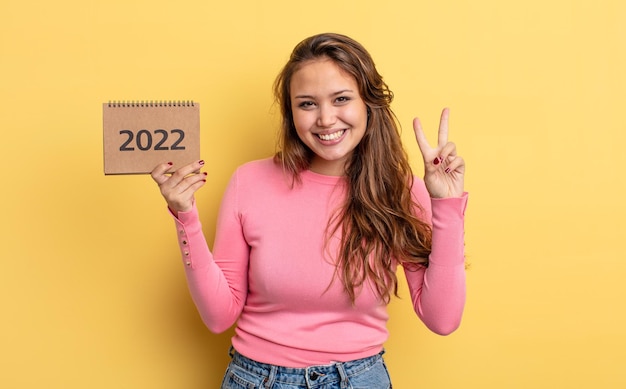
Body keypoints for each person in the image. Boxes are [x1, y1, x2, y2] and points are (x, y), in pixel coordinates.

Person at [151, 32, 467, 389]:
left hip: (360, 378)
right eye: (307, 104)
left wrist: (446, 205)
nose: (326, 119)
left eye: (341, 99)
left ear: (369, 103)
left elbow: (442, 319)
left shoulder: (403, 191)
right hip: (256, 379)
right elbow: (218, 316)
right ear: (291, 114)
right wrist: (185, 215)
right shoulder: (250, 182)